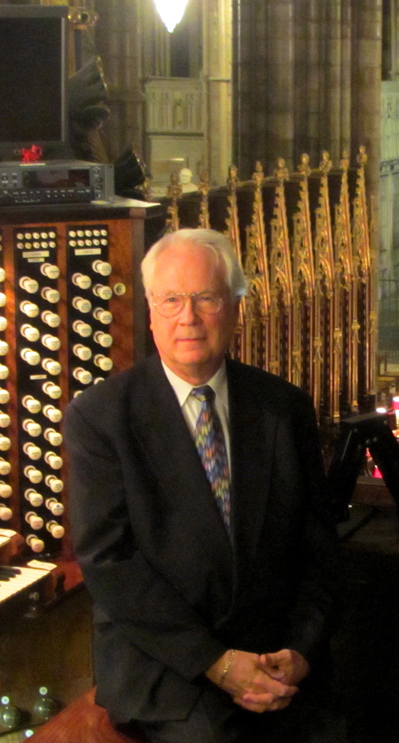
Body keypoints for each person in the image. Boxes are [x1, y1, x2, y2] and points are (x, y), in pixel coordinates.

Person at [65, 228, 343, 742]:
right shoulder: (100, 417)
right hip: (167, 667)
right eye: (170, 300)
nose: (187, 318)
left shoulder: (284, 408)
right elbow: (109, 563)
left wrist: (300, 652)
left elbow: (319, 549)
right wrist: (216, 664)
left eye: (205, 298)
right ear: (150, 310)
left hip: (274, 658)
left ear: (235, 306)